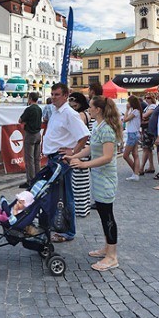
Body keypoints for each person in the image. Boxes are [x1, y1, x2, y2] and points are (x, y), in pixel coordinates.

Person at [64, 95, 123, 271]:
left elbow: (106, 157)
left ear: (98, 110)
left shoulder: (107, 129)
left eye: (90, 106)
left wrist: (84, 164)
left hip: (106, 179)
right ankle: (107, 248)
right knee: (103, 215)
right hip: (98, 177)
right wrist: (74, 156)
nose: (88, 109)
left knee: (107, 216)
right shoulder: (98, 126)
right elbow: (90, 148)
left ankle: (112, 256)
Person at [44, 83, 90, 243]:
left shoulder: (69, 114)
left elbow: (84, 135)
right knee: (54, 195)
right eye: (52, 94)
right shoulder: (55, 111)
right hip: (52, 158)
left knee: (65, 195)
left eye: (57, 94)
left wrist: (73, 152)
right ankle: (55, 225)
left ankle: (69, 231)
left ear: (65, 96)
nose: (53, 97)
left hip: (61, 159)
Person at [67, 92, 92, 218]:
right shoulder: (86, 114)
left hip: (80, 149)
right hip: (85, 148)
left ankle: (79, 208)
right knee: (82, 179)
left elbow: (78, 133)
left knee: (77, 180)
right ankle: (83, 207)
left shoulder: (80, 115)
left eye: (73, 100)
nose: (71, 103)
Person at [18, 91, 43, 188]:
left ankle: (31, 180)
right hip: (38, 134)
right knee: (37, 159)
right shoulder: (39, 109)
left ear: (30, 98)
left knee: (29, 159)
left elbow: (20, 120)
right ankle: (38, 177)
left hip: (30, 134)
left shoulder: (29, 109)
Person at [122, 95, 142, 181]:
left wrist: (127, 109)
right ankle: (136, 173)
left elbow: (125, 119)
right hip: (135, 133)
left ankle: (135, 171)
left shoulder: (135, 111)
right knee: (135, 154)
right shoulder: (137, 111)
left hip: (132, 134)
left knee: (125, 155)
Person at [139, 95, 157, 175]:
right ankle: (151, 166)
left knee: (146, 148)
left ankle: (141, 168)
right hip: (146, 129)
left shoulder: (152, 106)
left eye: (148, 97)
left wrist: (143, 118)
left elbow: (144, 116)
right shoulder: (148, 106)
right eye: (146, 97)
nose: (147, 99)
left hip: (148, 129)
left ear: (152, 98)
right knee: (148, 149)